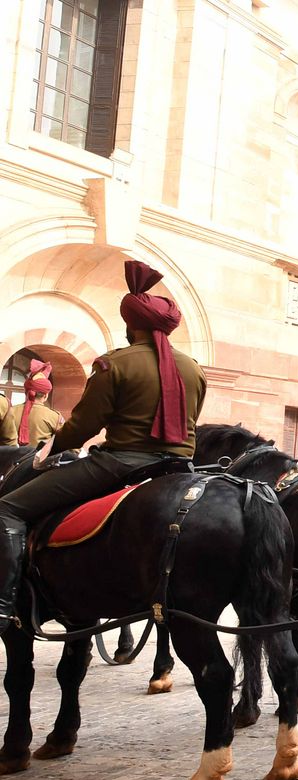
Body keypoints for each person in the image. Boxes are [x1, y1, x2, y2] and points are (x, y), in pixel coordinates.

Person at [0, 261, 206, 622]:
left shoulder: (115, 364)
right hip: (179, 467)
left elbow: (84, 426)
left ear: (131, 325)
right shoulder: (193, 368)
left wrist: (51, 448)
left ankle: (3, 607)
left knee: (7, 509)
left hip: (120, 464)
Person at [1, 359, 63, 447]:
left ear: (26, 392)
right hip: (39, 456)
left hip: (9, 456)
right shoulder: (54, 417)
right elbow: (72, 447)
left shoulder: (9, 411)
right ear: (46, 395)